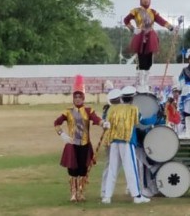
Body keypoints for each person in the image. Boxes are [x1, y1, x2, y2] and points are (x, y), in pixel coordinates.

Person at [53, 75, 109, 203]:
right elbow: (56, 123)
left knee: (83, 169)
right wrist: (62, 134)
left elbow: (96, 119)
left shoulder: (89, 110)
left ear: (83, 98)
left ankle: (81, 192)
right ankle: (73, 193)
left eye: (80, 97)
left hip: (84, 144)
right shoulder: (67, 111)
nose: (77, 99)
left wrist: (103, 123)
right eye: (75, 97)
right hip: (72, 144)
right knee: (73, 170)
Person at [123, 0, 179, 92]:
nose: (145, 0)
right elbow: (126, 20)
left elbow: (162, 21)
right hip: (139, 36)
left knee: (148, 60)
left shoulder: (153, 12)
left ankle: (146, 82)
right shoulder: (135, 11)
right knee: (141, 59)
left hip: (150, 37)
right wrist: (133, 29)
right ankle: (141, 82)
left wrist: (172, 28)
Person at [102, 85, 150, 205]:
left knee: (113, 169)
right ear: (133, 98)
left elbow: (107, 122)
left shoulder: (112, 109)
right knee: (131, 168)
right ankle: (137, 196)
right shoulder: (133, 109)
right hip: (127, 141)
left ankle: (107, 196)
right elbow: (141, 122)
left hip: (114, 142)